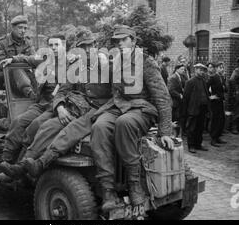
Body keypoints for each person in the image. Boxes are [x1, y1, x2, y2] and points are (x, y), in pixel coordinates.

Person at [0, 29, 113, 179]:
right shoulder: (76, 67)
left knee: (61, 130)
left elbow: (118, 94)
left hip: (95, 111)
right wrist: (59, 107)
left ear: (95, 45)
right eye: (82, 46)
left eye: (89, 46)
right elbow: (63, 90)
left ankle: (31, 165)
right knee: (45, 126)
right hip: (73, 109)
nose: (86, 50)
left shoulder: (108, 66)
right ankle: (22, 165)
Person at [89, 25, 174, 213]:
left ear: (133, 41)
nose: (119, 44)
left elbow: (162, 96)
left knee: (124, 123)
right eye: (116, 41)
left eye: (123, 39)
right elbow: (96, 73)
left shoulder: (146, 62)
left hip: (142, 108)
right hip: (119, 106)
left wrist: (165, 131)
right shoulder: (116, 62)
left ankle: (135, 187)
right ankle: (108, 191)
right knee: (100, 126)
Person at [0, 34, 66, 182]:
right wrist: (13, 59)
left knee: (35, 126)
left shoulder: (71, 63)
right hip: (41, 104)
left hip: (56, 106)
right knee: (18, 122)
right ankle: (3, 164)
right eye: (51, 45)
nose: (53, 48)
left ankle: (18, 170)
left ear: (64, 45)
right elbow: (28, 59)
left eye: (56, 45)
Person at [0, 15, 36, 98]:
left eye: (25, 28)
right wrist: (19, 61)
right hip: (7, 78)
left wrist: (15, 59)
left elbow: (33, 59)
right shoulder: (2, 43)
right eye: (20, 28)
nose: (23, 31)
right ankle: (29, 93)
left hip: (27, 76)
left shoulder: (28, 43)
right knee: (16, 68)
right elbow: (1, 63)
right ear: (13, 28)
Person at [183, 63, 210, 154]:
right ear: (195, 70)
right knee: (192, 128)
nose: (202, 72)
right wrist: (186, 111)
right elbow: (185, 98)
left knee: (200, 128)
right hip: (193, 109)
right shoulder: (190, 82)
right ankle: (191, 146)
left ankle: (198, 144)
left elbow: (206, 94)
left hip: (202, 108)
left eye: (203, 70)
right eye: (200, 70)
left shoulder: (203, 81)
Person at [207, 62, 227, 147]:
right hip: (214, 102)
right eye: (220, 67)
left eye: (223, 67)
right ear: (216, 69)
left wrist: (224, 86)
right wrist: (210, 96)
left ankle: (218, 136)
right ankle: (213, 139)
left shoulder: (222, 77)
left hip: (220, 101)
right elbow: (205, 86)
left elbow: (225, 89)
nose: (222, 69)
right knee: (215, 120)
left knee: (221, 119)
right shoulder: (213, 77)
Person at [167, 64, 186, 136]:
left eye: (184, 69)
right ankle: (173, 135)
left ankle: (177, 134)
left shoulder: (180, 77)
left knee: (179, 118)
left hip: (179, 102)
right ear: (177, 69)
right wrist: (179, 95)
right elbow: (170, 90)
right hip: (174, 102)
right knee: (175, 118)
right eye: (182, 69)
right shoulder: (173, 77)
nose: (183, 71)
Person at [229, 58, 239, 135]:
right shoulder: (236, 71)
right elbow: (231, 80)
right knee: (236, 111)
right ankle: (234, 128)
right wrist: (236, 90)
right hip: (237, 94)